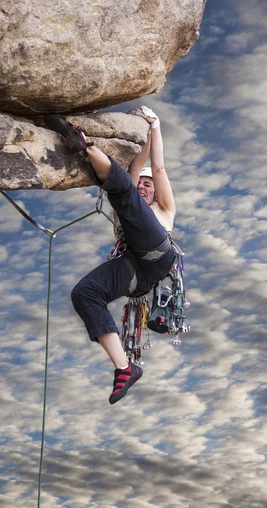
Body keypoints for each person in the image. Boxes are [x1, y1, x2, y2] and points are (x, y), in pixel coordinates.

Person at [44, 106, 176, 405]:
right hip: (135, 272)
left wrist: (153, 127)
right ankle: (125, 368)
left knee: (127, 197)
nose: (144, 187)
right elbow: (133, 171)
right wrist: (140, 145)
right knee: (85, 293)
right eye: (140, 183)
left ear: (156, 193)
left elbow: (157, 168)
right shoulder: (125, 203)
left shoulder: (164, 209)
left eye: (148, 186)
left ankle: (85, 144)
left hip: (157, 253)